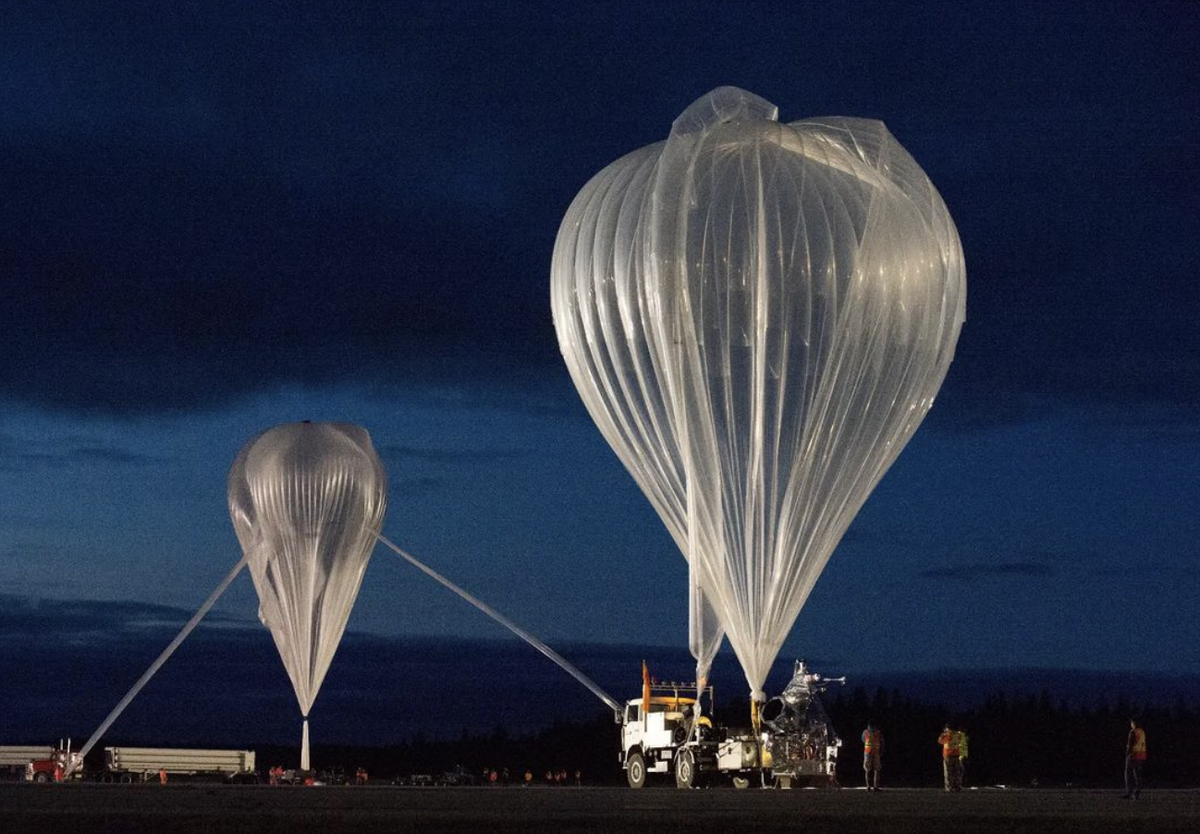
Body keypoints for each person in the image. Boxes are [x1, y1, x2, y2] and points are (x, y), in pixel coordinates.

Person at [1124, 718, 1147, 799]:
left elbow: (1130, 744)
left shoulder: (1133, 732)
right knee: (1137, 775)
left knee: (1128, 774)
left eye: (1131, 723)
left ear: (1133, 723)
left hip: (1133, 755)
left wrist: (1127, 754)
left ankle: (1129, 792)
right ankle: (1137, 792)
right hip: (1141, 756)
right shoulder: (1142, 732)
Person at [938, 724, 962, 792]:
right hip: (956, 755)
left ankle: (949, 788)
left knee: (948, 772)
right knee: (956, 772)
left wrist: (943, 734)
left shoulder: (947, 735)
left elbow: (940, 741)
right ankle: (957, 787)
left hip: (948, 755)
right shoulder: (958, 735)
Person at [862, 720, 883, 791]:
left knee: (868, 770)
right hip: (875, 752)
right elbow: (882, 742)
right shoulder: (878, 732)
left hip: (868, 752)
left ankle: (869, 787)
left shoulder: (865, 732)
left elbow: (863, 740)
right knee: (876, 770)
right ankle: (874, 787)